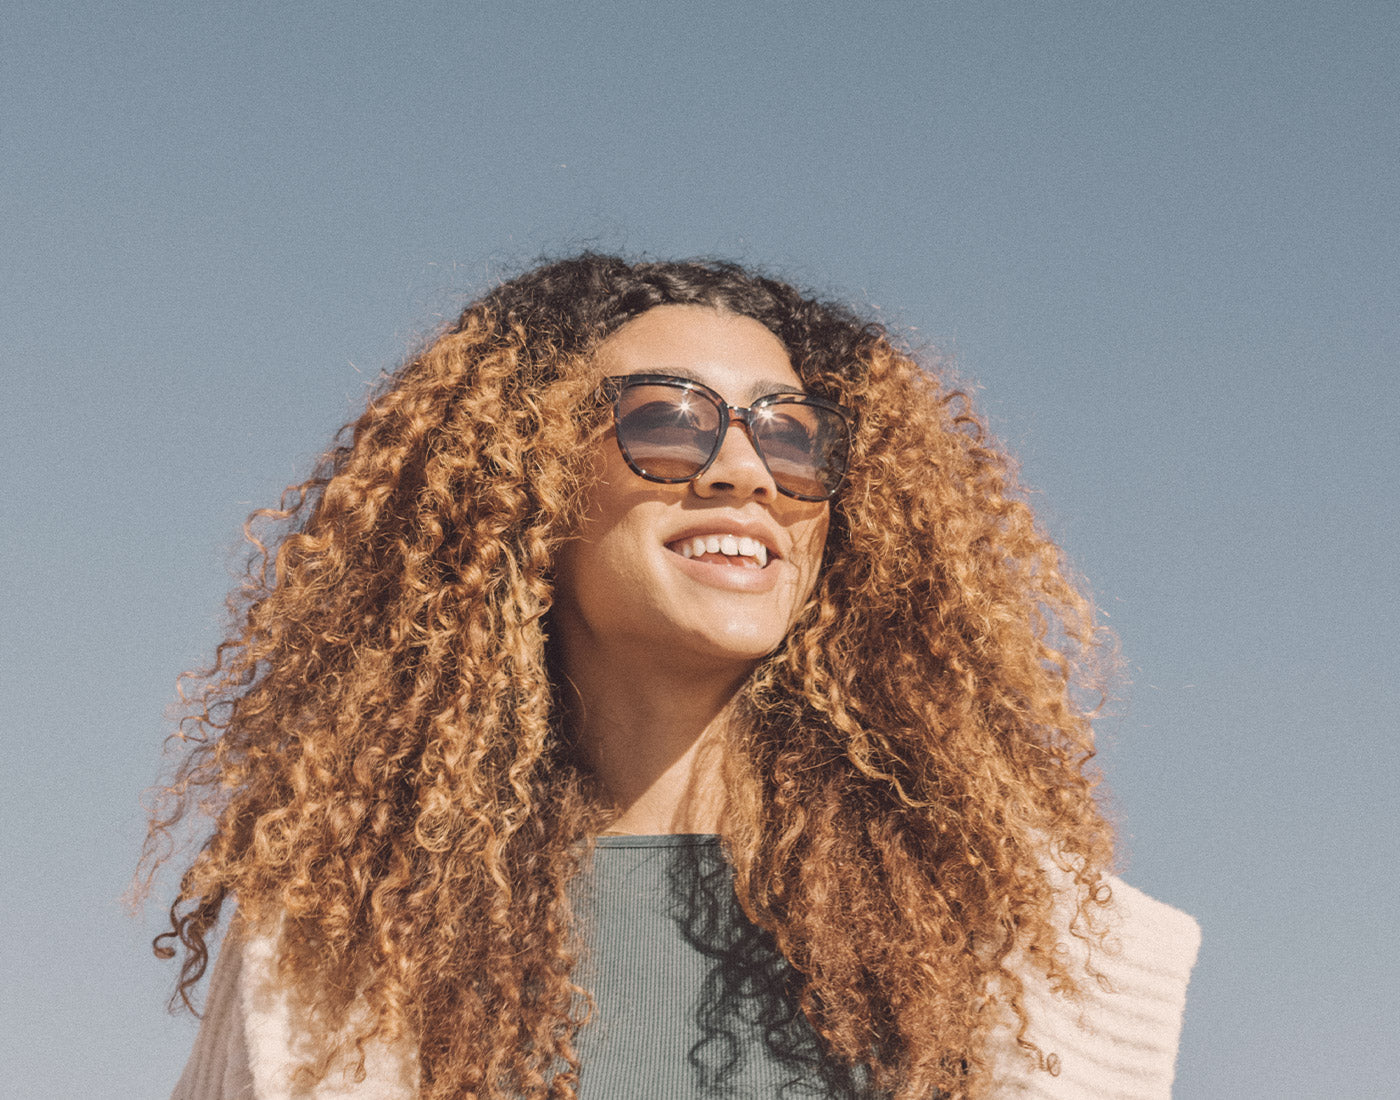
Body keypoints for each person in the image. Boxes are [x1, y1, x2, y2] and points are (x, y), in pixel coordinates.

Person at [148, 254, 1200, 1100]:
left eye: (792, 437)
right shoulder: (333, 939)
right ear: (523, 483)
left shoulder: (1015, 943)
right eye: (666, 420)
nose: (745, 472)